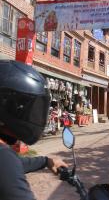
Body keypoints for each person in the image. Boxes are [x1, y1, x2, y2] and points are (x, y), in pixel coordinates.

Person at [0, 60, 68, 200]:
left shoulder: (6, 160)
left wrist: (45, 161)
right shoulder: (4, 158)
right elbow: (9, 164)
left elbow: (15, 165)